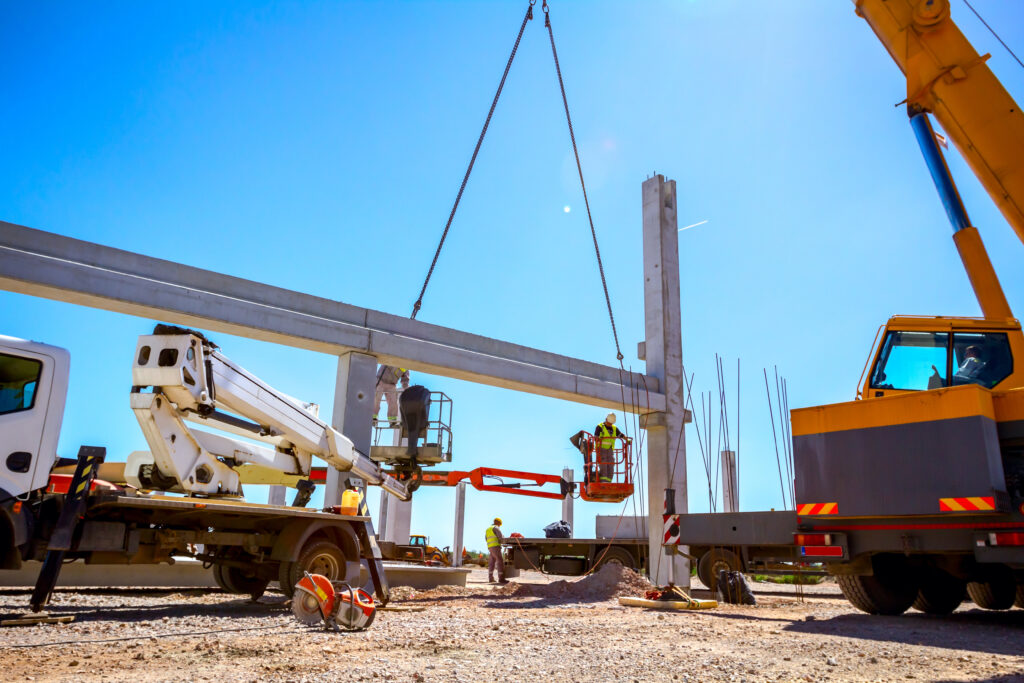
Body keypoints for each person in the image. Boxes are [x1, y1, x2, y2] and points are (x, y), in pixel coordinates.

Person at [594, 413, 628, 483]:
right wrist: (598, 439)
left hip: (610, 450)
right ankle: (603, 481)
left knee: (611, 466)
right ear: (606, 419)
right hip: (601, 449)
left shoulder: (614, 428)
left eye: (611, 423)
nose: (610, 424)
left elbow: (620, 435)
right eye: (609, 423)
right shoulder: (600, 427)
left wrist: (627, 439)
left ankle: (609, 482)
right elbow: (595, 437)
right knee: (604, 466)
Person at [485, 517, 508, 584]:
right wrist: (505, 541)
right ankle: (501, 579)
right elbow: (500, 537)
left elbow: (486, 539)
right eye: (499, 524)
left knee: (492, 562)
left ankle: (490, 578)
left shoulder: (488, 529)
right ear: (498, 522)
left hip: (490, 547)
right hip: (495, 546)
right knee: (500, 561)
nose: (499, 526)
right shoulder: (495, 528)